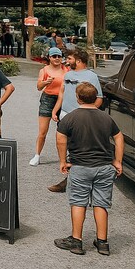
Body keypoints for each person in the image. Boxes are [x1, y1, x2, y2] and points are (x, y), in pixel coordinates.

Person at [54, 82, 124, 256]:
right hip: (104, 167)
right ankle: (102, 243)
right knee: (101, 204)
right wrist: (118, 160)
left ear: (78, 98)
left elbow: (60, 139)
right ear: (95, 98)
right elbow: (119, 137)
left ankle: (76, 241)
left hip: (80, 166)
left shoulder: (70, 117)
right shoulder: (106, 117)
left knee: (78, 202)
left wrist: (63, 160)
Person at [48, 48, 103, 192]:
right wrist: (55, 110)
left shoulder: (91, 76)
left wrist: (89, 114)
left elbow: (99, 99)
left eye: (70, 59)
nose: (67, 61)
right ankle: (69, 178)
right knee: (63, 144)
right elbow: (61, 93)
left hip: (81, 117)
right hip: (65, 115)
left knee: (78, 148)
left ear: (78, 61)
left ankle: (72, 182)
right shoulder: (68, 74)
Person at [30, 47, 68, 166]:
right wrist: (46, 82)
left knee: (64, 130)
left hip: (62, 99)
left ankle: (65, 155)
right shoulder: (44, 70)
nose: (57, 59)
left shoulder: (66, 69)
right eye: (54, 56)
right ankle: (37, 155)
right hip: (48, 98)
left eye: (59, 56)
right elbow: (39, 87)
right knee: (43, 131)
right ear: (49, 58)